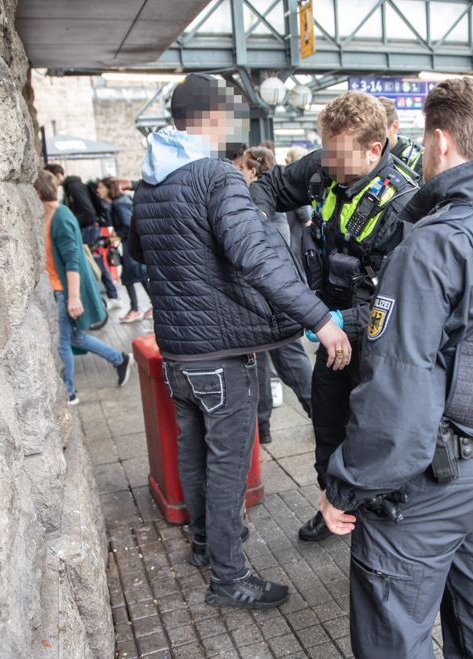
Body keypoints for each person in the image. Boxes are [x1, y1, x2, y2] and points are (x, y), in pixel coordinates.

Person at [318, 77, 473, 658]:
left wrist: (345, 487)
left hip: (429, 488)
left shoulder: (433, 245)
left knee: (394, 636)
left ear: (441, 141)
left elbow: (397, 403)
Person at [130, 73, 352, 610]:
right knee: (228, 464)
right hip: (219, 353)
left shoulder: (151, 181)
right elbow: (258, 257)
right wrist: (320, 320)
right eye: (228, 115)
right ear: (211, 119)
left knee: (194, 449)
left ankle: (207, 544)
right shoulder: (215, 176)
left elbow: (140, 250)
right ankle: (230, 579)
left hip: (178, 351)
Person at [251, 90, 419, 542]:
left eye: (340, 156)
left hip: (377, 343)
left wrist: (338, 322)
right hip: (329, 330)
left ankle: (376, 519)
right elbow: (265, 188)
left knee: (373, 434)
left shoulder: (405, 206)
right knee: (326, 424)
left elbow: (405, 305)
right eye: (326, 151)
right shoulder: (325, 163)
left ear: (375, 149)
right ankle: (332, 502)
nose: (330, 164)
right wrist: (257, 230)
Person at [234, 146, 315, 442]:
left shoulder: (260, 205)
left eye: (241, 168)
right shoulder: (256, 202)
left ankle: (318, 417)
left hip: (276, 297)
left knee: (290, 363)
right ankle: (263, 426)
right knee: (263, 365)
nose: (236, 172)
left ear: (253, 172)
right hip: (272, 295)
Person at [35, 170, 133, 405]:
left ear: (37, 193)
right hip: (57, 288)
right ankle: (119, 359)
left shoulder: (61, 218)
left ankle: (69, 392)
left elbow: (73, 261)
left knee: (64, 342)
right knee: (75, 337)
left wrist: (73, 298)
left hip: (63, 290)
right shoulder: (53, 216)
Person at [43, 163, 123, 308]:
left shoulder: (74, 187)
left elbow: (89, 212)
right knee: (94, 262)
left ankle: (109, 296)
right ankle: (111, 296)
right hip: (88, 228)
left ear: (58, 176)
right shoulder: (70, 188)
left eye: (50, 177)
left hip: (88, 229)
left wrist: (72, 222)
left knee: (93, 263)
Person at [97, 178, 151, 323]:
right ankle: (151, 307)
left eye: (101, 187)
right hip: (132, 245)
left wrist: (114, 237)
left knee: (131, 277)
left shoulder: (118, 204)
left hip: (130, 246)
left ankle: (137, 309)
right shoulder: (122, 201)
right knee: (138, 277)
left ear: (109, 189)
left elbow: (127, 226)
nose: (98, 190)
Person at [378, 96, 423, 181]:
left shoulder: (418, 162)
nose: (371, 139)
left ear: (395, 127)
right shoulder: (366, 157)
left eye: (378, 133)